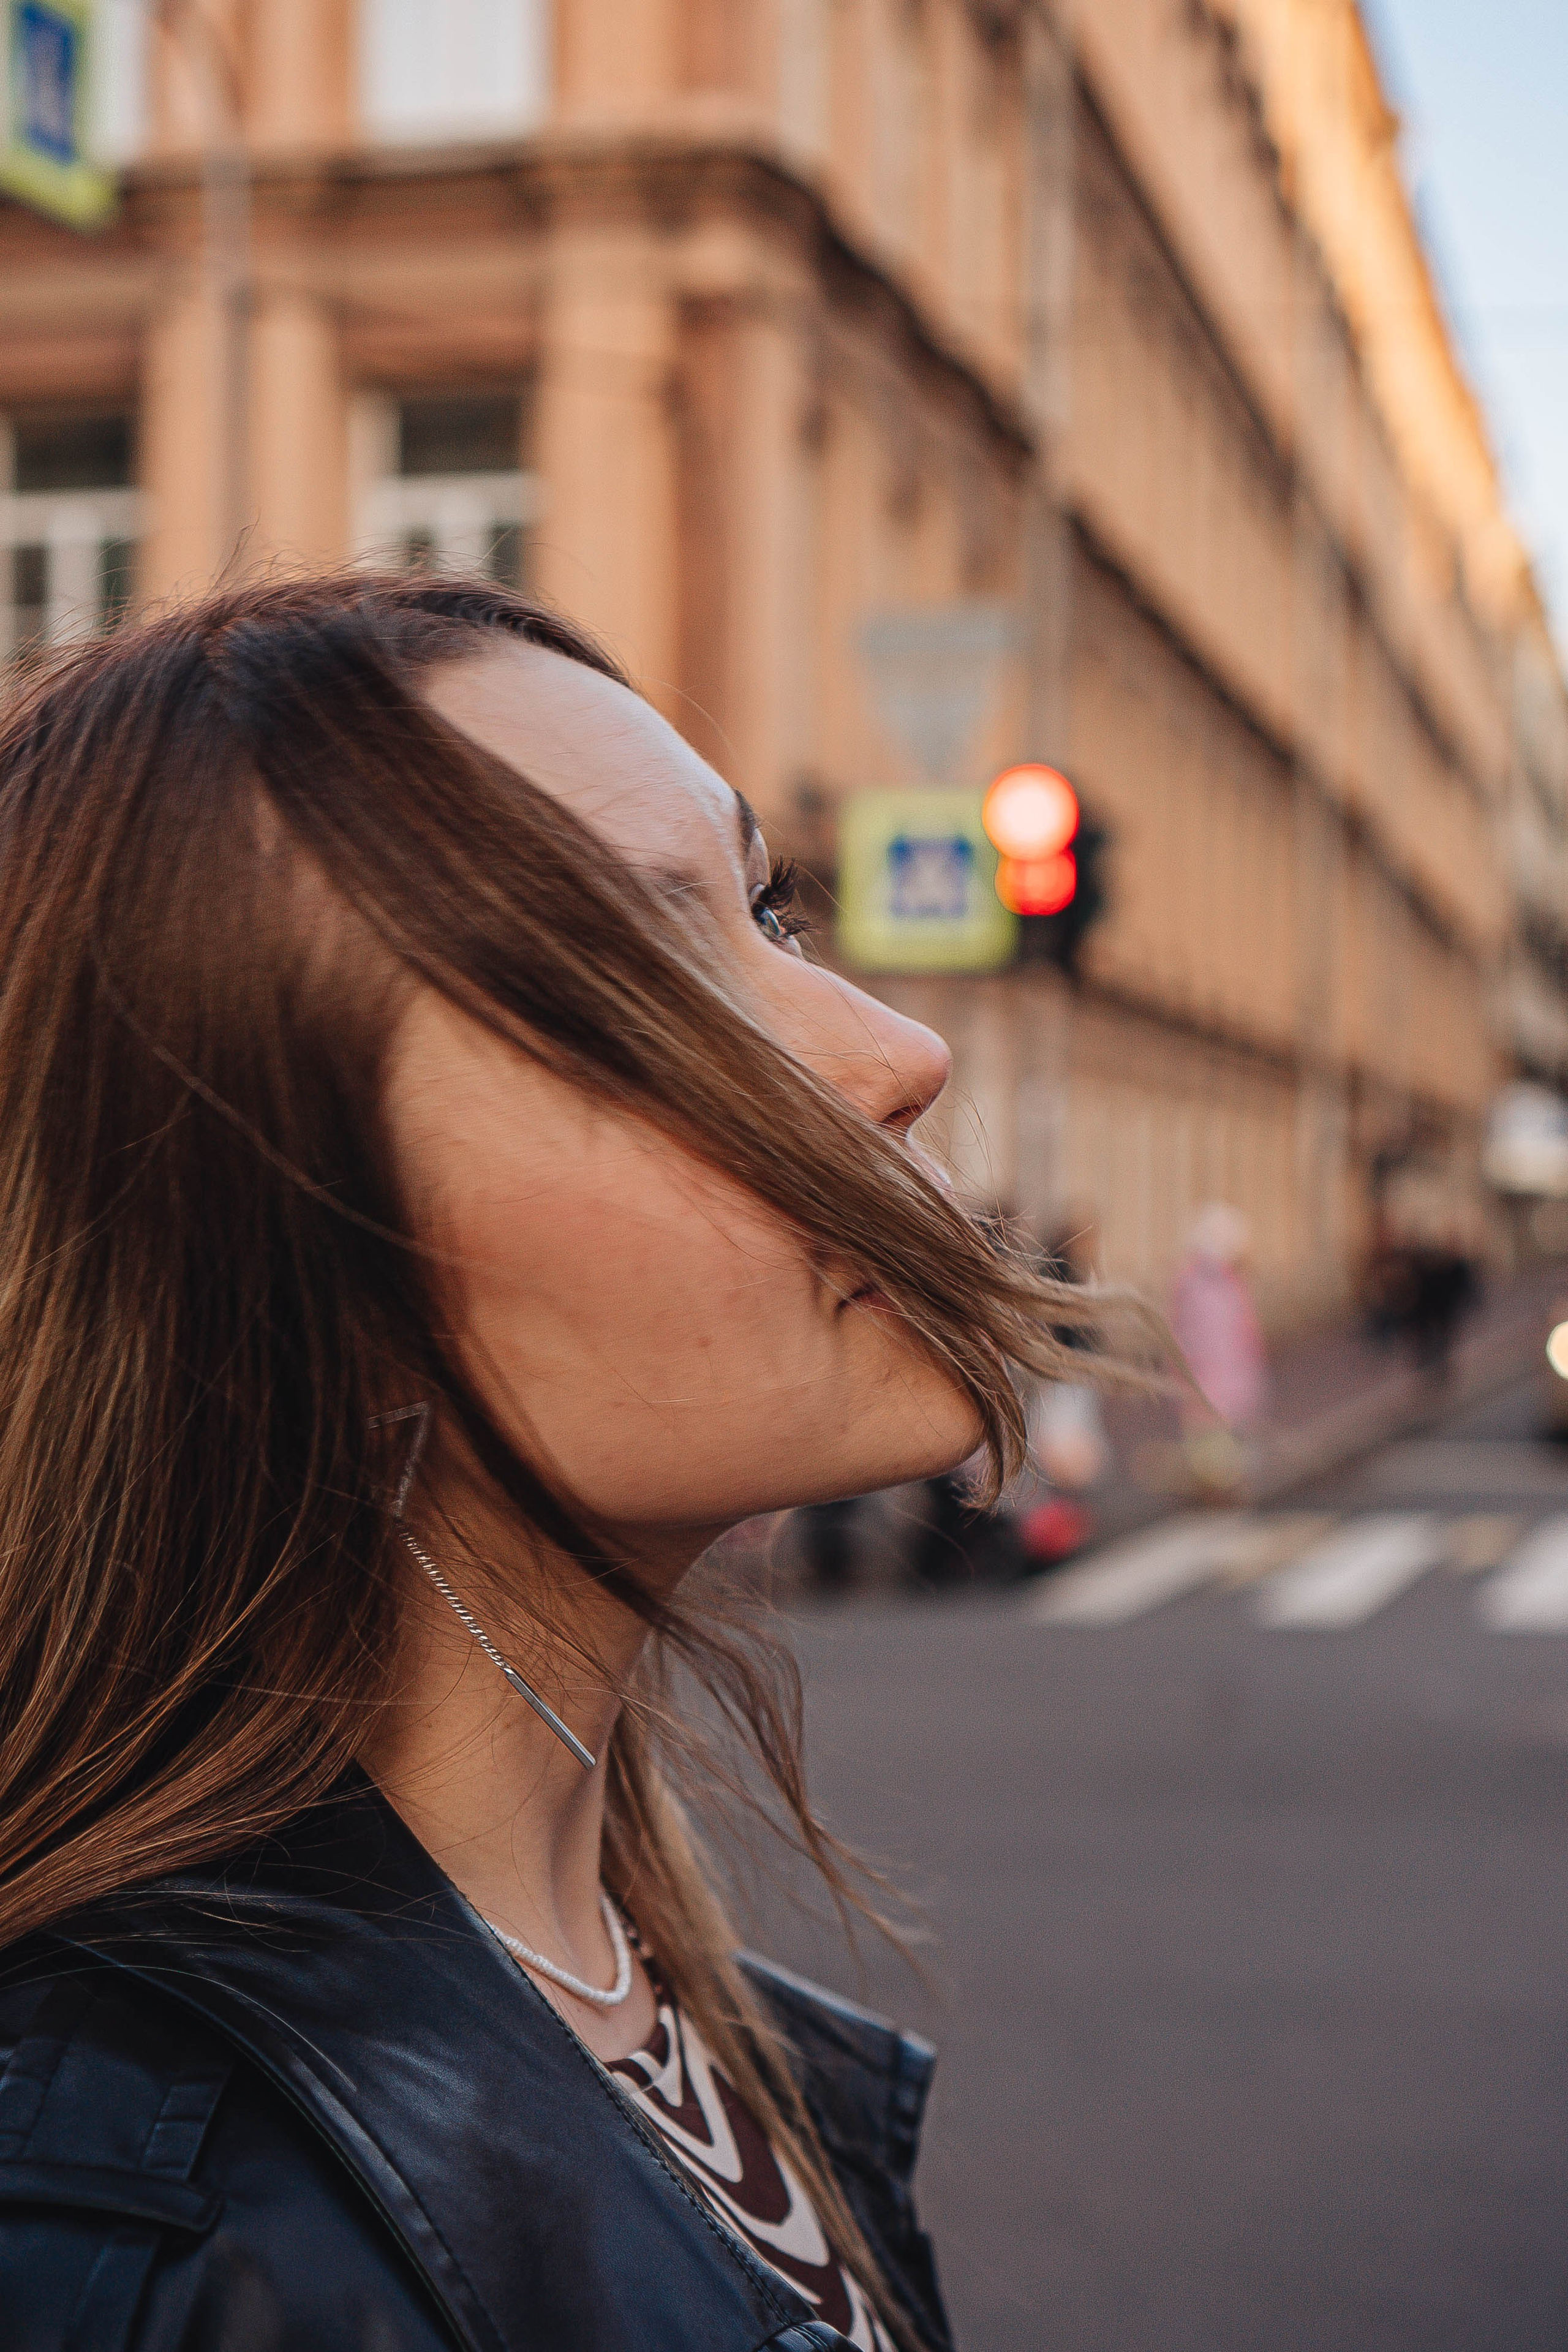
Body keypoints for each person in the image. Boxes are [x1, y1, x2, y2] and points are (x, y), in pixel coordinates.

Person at [0, 575, 1129, 2352]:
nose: (900, 1054)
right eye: (637, 978)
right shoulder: (171, 2248)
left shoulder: (638, 1998)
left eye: (771, 909)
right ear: (298, 1258)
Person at [1170, 1202, 1268, 1493]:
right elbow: (1187, 1334)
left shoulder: (1216, 1282)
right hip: (1212, 1378)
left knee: (1219, 1442)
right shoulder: (1202, 1283)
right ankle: (1218, 1488)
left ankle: (1221, 1487)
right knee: (1214, 1444)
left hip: (1220, 1378)